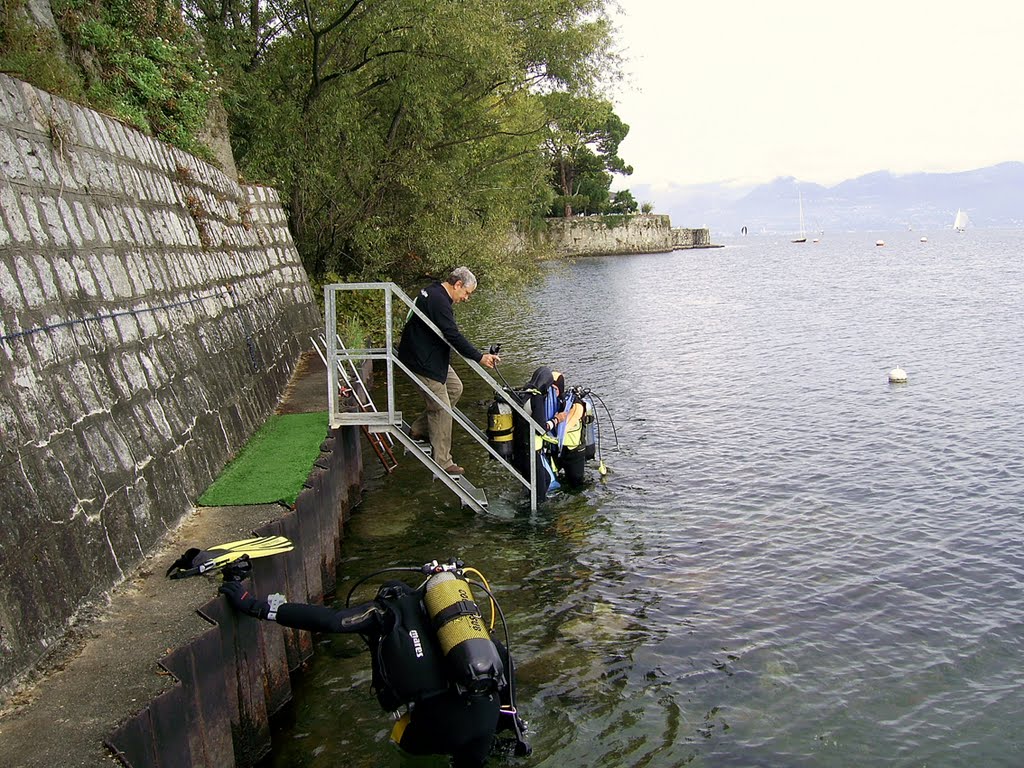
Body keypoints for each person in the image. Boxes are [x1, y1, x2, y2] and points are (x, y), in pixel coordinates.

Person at [219, 561, 530, 767]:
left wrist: (255, 606)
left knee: (400, 742)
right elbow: (503, 658)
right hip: (487, 717)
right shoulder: (458, 621)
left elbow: (329, 621)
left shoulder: (383, 614)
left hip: (440, 725)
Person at [397, 267, 500, 475]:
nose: (466, 298)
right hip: (420, 360)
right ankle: (443, 462)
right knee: (441, 407)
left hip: (431, 356)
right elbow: (453, 335)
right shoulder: (439, 301)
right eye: (467, 293)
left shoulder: (434, 291)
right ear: (458, 285)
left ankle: (419, 429)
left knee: (455, 388)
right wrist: (480, 357)